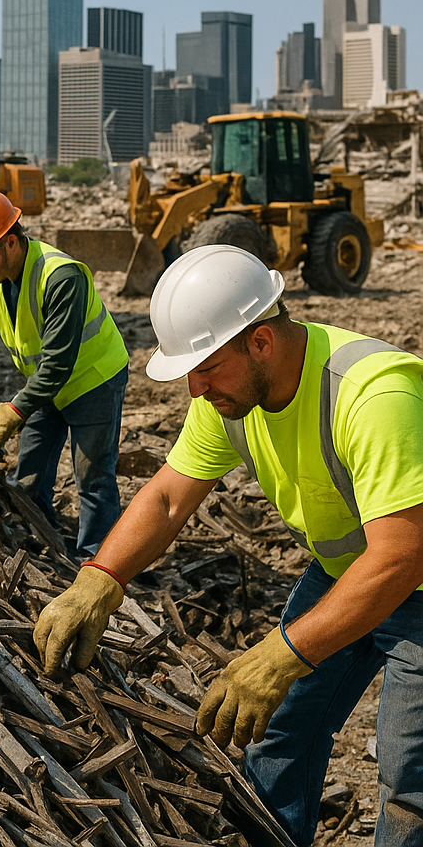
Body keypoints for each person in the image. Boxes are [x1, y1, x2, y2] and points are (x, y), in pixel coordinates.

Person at [33, 244, 423, 847]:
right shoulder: (232, 396)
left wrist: (283, 653)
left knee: (409, 778)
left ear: (260, 342)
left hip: (412, 575)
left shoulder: (373, 397)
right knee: (278, 732)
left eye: (205, 368)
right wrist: (99, 578)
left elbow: (401, 554)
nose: (194, 388)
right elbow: (167, 497)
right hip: (347, 570)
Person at [0, 189, 129, 554]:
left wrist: (12, 412)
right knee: (29, 474)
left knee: (93, 477)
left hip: (93, 379)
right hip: (45, 388)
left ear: (12, 243)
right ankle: (42, 541)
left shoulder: (60, 276)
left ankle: (97, 561)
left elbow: (58, 362)